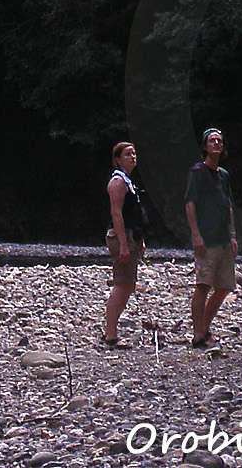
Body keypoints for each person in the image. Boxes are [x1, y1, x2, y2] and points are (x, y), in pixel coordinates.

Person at [183, 127, 237, 350]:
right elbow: (189, 203)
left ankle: (205, 328)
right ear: (205, 146)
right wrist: (196, 235)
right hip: (206, 238)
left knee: (224, 286)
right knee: (203, 285)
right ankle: (198, 333)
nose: (216, 144)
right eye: (212, 140)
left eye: (220, 141)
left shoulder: (223, 175)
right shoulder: (197, 172)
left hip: (223, 237)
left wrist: (233, 235)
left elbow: (229, 206)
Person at [102, 141, 147, 348]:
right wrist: (123, 244)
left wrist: (139, 240)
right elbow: (116, 214)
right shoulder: (117, 182)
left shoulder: (129, 181)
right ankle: (110, 333)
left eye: (134, 153)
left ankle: (110, 331)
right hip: (122, 237)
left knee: (127, 284)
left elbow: (134, 214)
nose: (132, 157)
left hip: (132, 236)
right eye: (127, 154)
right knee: (122, 284)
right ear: (117, 159)